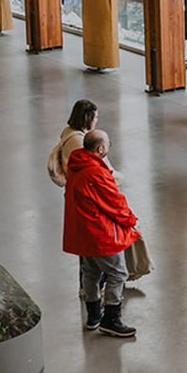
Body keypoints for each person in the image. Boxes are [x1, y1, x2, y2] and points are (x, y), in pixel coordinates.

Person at [63, 129, 139, 338]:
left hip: (82, 232)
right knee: (118, 273)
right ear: (101, 148)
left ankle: (93, 316)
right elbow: (114, 202)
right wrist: (131, 220)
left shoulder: (76, 166)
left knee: (91, 272)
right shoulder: (96, 172)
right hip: (100, 233)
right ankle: (111, 319)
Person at [49, 99, 98, 187]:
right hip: (80, 185)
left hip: (72, 181)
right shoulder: (79, 141)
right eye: (95, 117)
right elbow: (92, 168)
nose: (96, 120)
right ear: (88, 119)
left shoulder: (68, 131)